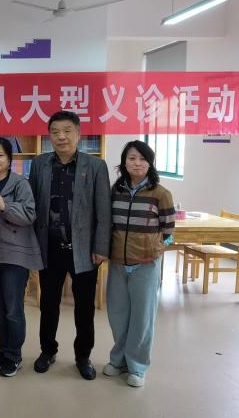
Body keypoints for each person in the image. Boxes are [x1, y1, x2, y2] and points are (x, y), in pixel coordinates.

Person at [29, 111, 111, 380]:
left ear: (78, 134)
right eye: (55, 132)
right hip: (49, 247)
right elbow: (33, 207)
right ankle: (47, 350)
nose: (61, 137)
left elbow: (103, 211)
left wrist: (101, 247)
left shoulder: (95, 166)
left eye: (66, 131)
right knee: (48, 305)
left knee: (84, 308)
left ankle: (83, 356)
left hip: (84, 249)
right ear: (49, 136)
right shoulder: (39, 164)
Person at [103, 140, 175, 388]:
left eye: (142, 159)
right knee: (118, 315)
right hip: (117, 264)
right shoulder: (116, 190)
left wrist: (156, 248)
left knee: (142, 319)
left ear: (150, 163)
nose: (137, 163)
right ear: (124, 162)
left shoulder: (161, 194)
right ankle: (119, 360)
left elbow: (168, 231)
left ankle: (137, 366)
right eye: (132, 158)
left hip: (145, 265)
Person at [0, 137, 42, 377]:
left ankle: (14, 355)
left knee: (13, 309)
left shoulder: (20, 183)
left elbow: (29, 215)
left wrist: (5, 206)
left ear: (9, 159)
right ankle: (4, 351)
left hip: (15, 255)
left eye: (1, 155)